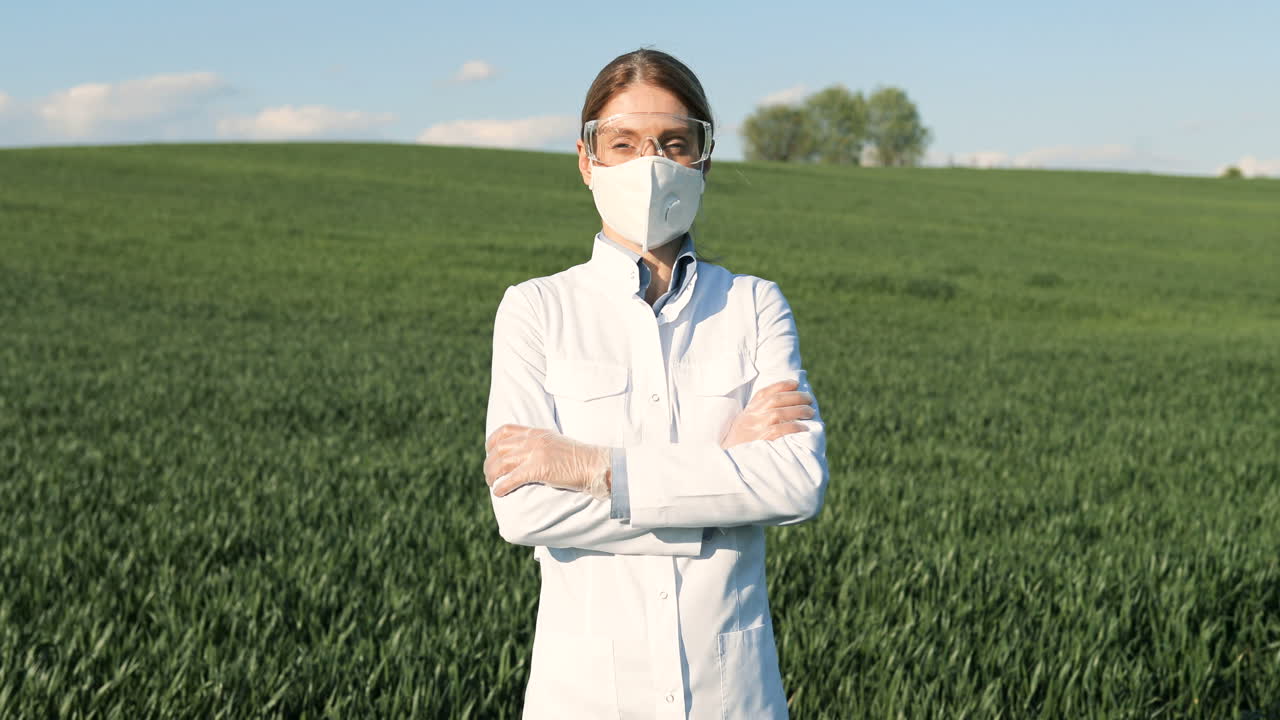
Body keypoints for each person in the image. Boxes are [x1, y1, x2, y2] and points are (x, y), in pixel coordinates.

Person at [483, 48, 829, 720]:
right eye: (623, 143)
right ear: (587, 161)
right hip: (585, 699)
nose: (650, 163)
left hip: (733, 697)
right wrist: (723, 474)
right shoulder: (535, 309)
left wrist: (594, 470)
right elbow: (524, 512)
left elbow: (795, 483)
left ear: (703, 160)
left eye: (674, 143)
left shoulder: (753, 304)